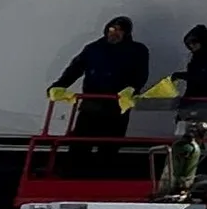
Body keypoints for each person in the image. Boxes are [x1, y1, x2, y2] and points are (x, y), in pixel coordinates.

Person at [53, 16, 151, 182]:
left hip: (117, 105)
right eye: (112, 29)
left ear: (126, 33)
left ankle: (102, 178)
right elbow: (75, 68)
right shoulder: (94, 49)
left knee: (110, 145)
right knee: (80, 142)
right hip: (91, 103)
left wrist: (132, 88)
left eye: (119, 30)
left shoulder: (137, 50)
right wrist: (59, 85)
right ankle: (73, 177)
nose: (115, 33)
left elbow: (141, 73)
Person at [163, 25, 207, 199]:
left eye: (194, 43)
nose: (192, 47)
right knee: (184, 144)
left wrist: (183, 76)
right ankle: (177, 182)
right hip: (195, 105)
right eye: (190, 45)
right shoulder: (199, 59)